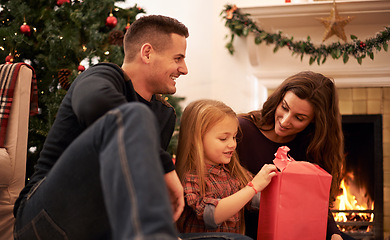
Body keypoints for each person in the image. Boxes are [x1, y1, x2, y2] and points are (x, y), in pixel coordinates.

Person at [236, 71, 355, 240]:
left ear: (314, 121)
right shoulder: (242, 130)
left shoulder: (311, 146)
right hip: (249, 229)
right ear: (279, 99)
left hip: (296, 229)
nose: (285, 121)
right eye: (284, 107)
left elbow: (317, 203)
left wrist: (334, 233)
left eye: (299, 118)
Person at [175, 99, 277, 235]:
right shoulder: (191, 177)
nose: (233, 144)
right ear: (197, 139)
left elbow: (258, 201)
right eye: (223, 138)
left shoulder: (233, 172)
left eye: (234, 137)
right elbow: (212, 216)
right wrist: (253, 187)